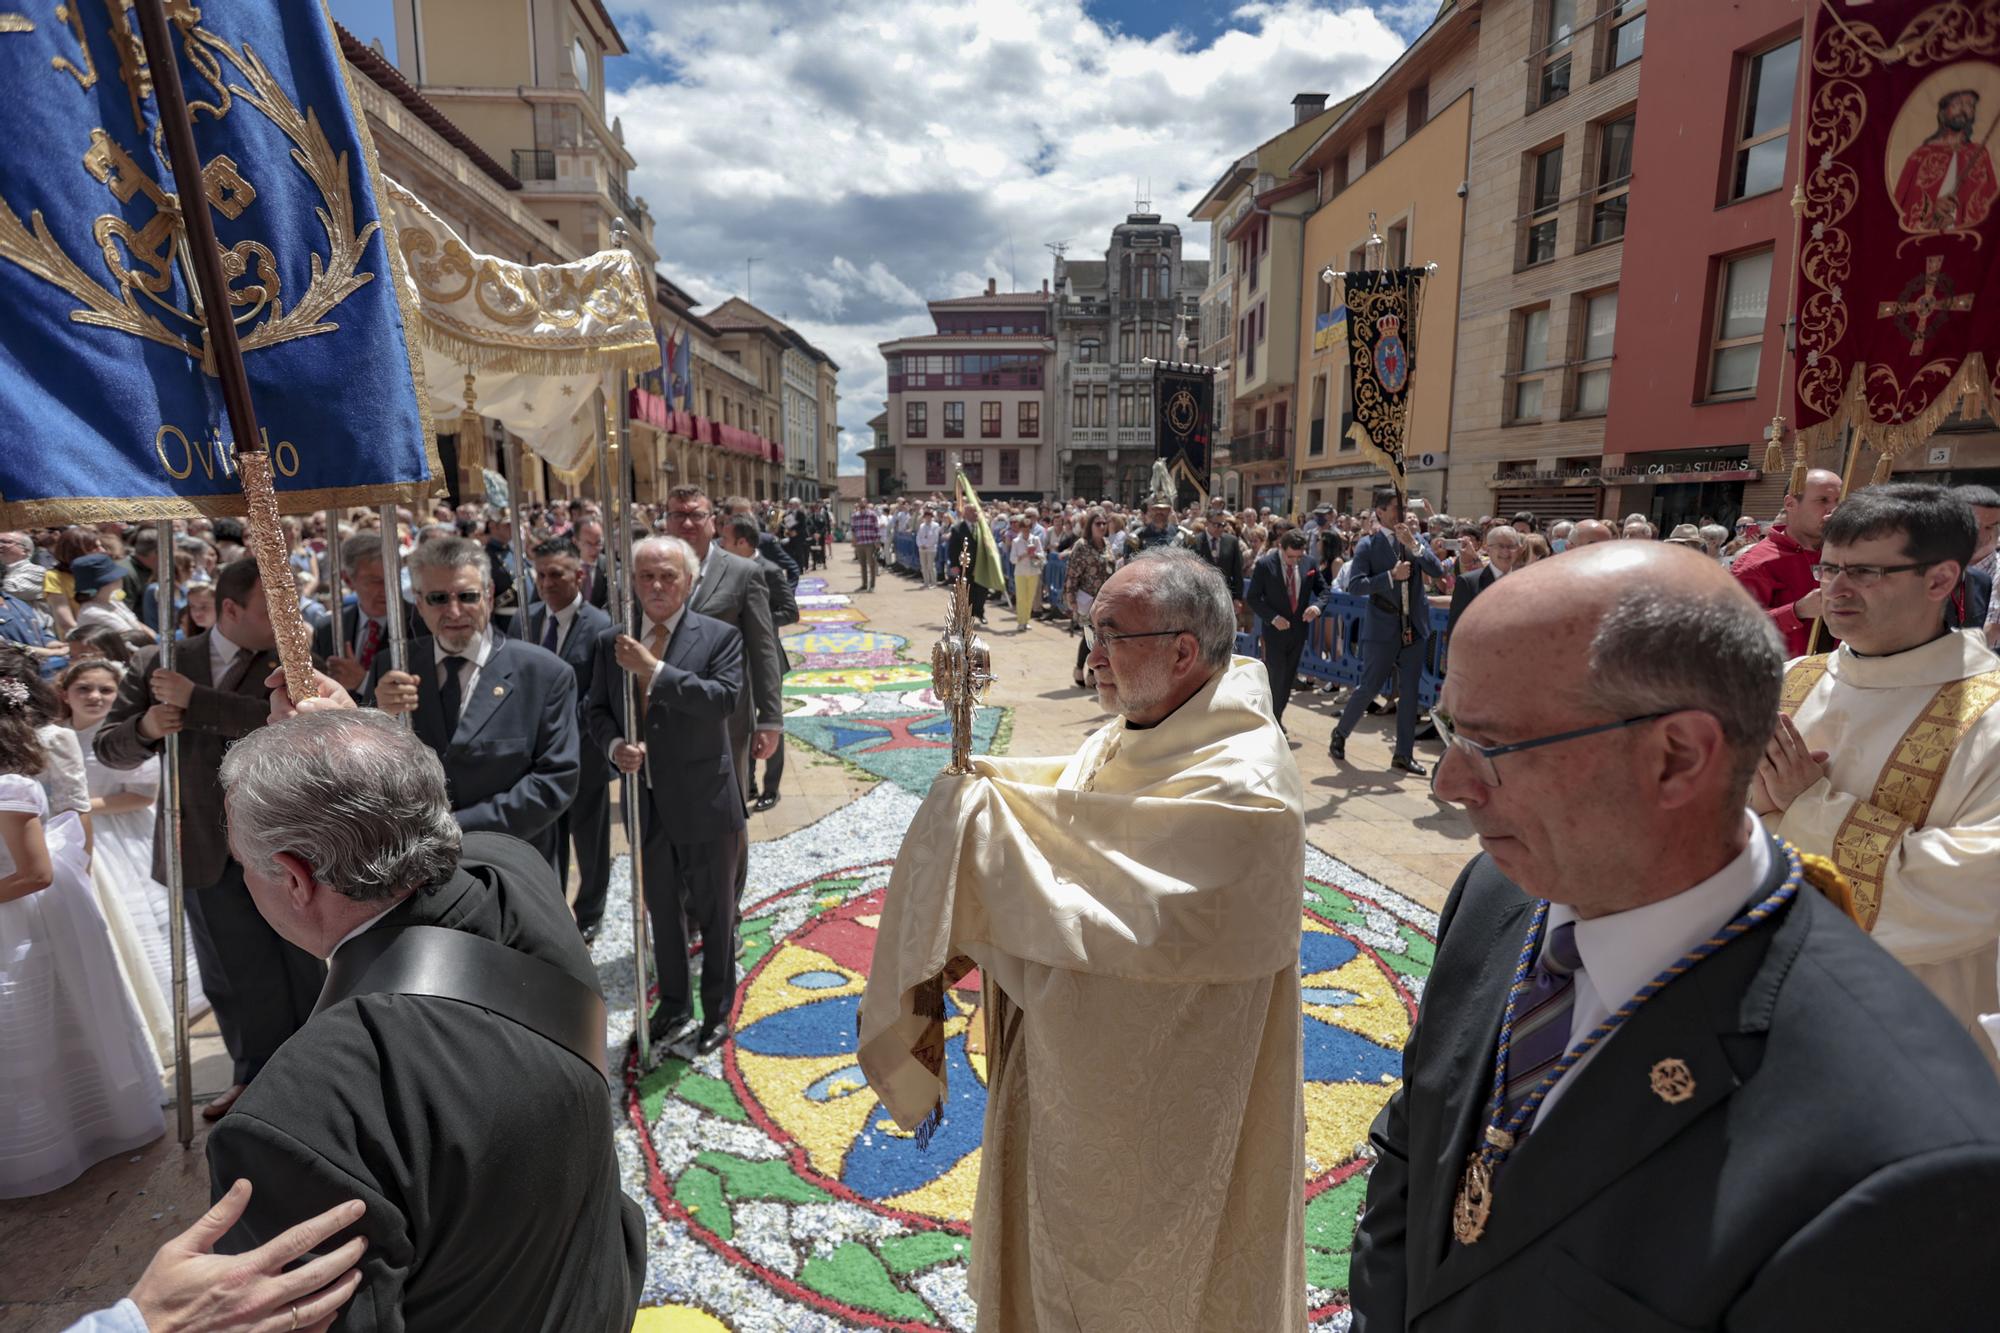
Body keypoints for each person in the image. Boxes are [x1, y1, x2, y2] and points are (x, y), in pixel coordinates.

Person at [1350, 540, 2000, 1331]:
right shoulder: (1500, 893)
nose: (1448, 782)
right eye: (1449, 728)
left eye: (1488, 745)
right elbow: (1416, 1156)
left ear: (1678, 757)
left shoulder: (1908, 1161)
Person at [859, 548, 1306, 1330]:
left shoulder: (1249, 790)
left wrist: (985, 844)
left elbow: (1133, 923)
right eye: (1088, 627)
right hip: (1069, 1093)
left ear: (1183, 650)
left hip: (1162, 1123)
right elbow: (1084, 804)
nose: (1090, 653)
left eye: (1110, 634)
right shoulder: (1149, 718)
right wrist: (985, 788)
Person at [205, 709, 645, 1328]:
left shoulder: (288, 1124)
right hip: (594, 1293)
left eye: (243, 863)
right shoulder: (519, 873)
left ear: (296, 879)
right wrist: (350, 751)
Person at [1757, 484, 2000, 1061]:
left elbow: (1972, 891)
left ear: (1940, 580)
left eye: (1864, 572)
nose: (1835, 590)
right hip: (1764, 992)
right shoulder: (1790, 681)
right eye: (1828, 568)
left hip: (1906, 1025)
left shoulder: (1987, 716)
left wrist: (1807, 806)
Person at [96, 557, 321, 1119]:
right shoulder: (159, 662)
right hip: (199, 840)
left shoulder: (291, 657)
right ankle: (256, 1081)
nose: (289, 618)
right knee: (234, 974)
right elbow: (108, 747)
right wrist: (147, 727)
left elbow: (291, 723)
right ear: (229, 609)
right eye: (274, 607)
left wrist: (198, 701)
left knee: (306, 964)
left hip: (284, 840)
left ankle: (323, 1074)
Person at [1, 670, 164, 1197]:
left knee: (31, 1028)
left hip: (17, 922)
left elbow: (37, 871)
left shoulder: (12, 785)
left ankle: (60, 1140)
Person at [585, 536, 744, 1055]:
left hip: (705, 801)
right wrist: (614, 747)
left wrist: (653, 671)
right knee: (661, 912)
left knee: (715, 912)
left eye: (667, 576)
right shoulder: (612, 641)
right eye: (646, 576)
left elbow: (721, 700)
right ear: (632, 581)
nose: (656, 586)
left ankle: (717, 1008)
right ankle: (673, 1003)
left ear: (689, 581)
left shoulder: (719, 636)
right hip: (644, 803)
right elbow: (596, 709)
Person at [368, 536, 580, 867]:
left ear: (489, 596)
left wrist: (455, 827)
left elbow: (554, 782)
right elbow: (364, 765)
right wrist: (378, 714)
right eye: (439, 598)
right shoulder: (393, 667)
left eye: (467, 596)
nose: (454, 611)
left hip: (510, 865)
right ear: (420, 603)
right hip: (416, 868)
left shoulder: (544, 674)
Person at [66, 658, 208, 1062]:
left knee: (145, 914)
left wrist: (79, 805)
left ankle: (169, 996)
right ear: (66, 694)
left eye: (106, 690)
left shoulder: (121, 736)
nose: (95, 697)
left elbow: (142, 794)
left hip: (126, 832)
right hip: (80, 834)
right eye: (84, 690)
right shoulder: (59, 736)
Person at [657, 486, 783, 884]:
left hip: (726, 716)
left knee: (727, 815)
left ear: (715, 521)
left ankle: (728, 909)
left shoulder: (743, 572)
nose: (688, 523)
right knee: (669, 811)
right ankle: (682, 904)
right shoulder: (650, 570)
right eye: (678, 515)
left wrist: (771, 719)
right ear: (666, 520)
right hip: (663, 716)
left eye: (697, 514)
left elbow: (763, 648)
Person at [524, 536, 614, 941]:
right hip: (536, 760)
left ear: (579, 575)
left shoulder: (601, 628)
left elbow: (600, 695)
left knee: (590, 842)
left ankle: (591, 911)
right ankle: (552, 913)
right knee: (546, 840)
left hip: (585, 756)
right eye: (540, 574)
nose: (546, 583)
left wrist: (559, 729)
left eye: (556, 574)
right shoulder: (523, 622)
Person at [1329, 486, 1445, 776]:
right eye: (1394, 508)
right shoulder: (1368, 545)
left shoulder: (1414, 539)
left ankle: (1403, 755)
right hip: (1383, 627)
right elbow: (1355, 586)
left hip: (1415, 628)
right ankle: (1341, 733)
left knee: (1410, 693)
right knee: (1369, 687)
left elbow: (1438, 570)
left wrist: (1416, 547)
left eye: (1403, 507)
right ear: (1380, 512)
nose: (1401, 513)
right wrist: (1390, 577)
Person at [720, 513, 797, 812]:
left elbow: (791, 611)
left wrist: (757, 623)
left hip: (765, 659)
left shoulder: (770, 570)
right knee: (744, 723)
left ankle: (771, 788)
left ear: (742, 542)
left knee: (769, 722)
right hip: (737, 659)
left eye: (725, 540)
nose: (720, 544)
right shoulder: (725, 569)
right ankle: (747, 780)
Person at [1732, 468, 1842, 656]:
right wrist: (1796, 611)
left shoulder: (1845, 554)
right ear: (1790, 504)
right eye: (1822, 500)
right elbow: (1733, 629)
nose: (1833, 510)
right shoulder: (1755, 564)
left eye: (1837, 502)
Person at [1246, 529, 1324, 727]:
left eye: (1299, 557)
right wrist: (1273, 617)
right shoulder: (1265, 565)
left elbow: (1324, 591)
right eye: (1290, 556)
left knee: (1288, 679)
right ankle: (1272, 721)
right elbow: (1253, 598)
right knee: (1276, 676)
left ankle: (1276, 716)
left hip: (1298, 632)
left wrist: (1316, 607)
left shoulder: (1309, 563)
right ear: (1280, 547)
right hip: (1274, 632)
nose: (1295, 561)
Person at [1895, 88, 1996, 234]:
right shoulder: (1921, 155)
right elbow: (1901, 210)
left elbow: (1991, 204)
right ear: (1942, 113)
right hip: (1928, 241)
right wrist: (1931, 214)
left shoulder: (1979, 153)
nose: (1963, 109)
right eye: (1957, 104)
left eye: (1969, 105)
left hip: (1971, 243)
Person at [1062, 509, 1112, 688]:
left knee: (1101, 637)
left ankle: (1093, 673)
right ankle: (1079, 668)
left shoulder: (1107, 544)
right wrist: (1071, 598)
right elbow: (1072, 573)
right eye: (1098, 523)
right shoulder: (1081, 545)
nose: (1102, 527)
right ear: (1090, 526)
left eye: (1104, 523)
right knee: (1090, 635)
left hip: (1105, 599)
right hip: (1086, 598)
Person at [1447, 525, 1520, 634]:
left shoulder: (1526, 581)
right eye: (1500, 546)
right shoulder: (1469, 583)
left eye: (1511, 546)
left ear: (1518, 549)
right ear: (1487, 549)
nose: (1506, 551)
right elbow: (1456, 629)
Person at [70, 553, 155, 645]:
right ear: (104, 584)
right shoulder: (93, 613)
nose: (121, 578)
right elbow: (132, 638)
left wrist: (157, 639)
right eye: (116, 577)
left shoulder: (113, 601)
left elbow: (138, 625)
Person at [947, 501, 992, 623]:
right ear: (966, 513)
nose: (975, 514)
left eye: (976, 511)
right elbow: (952, 548)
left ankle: (980, 612)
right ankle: (968, 615)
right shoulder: (957, 528)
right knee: (968, 590)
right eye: (972, 511)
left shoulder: (982, 527)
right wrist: (954, 564)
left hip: (981, 564)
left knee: (982, 590)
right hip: (965, 566)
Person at [1007, 514, 1046, 630]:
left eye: (1028, 528)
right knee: (1021, 598)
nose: (1026, 530)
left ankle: (1026, 620)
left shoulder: (1035, 539)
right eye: (1024, 528)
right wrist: (1023, 555)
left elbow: (1042, 555)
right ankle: (1021, 621)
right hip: (1020, 572)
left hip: (1033, 572)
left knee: (1030, 598)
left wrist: (1035, 554)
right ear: (1021, 528)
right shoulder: (1016, 541)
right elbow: (1012, 559)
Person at [850, 498, 882, 591]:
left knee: (871, 564)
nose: (862, 504)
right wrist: (853, 539)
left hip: (870, 543)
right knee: (862, 565)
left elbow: (876, 528)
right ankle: (864, 584)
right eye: (860, 502)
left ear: (866, 503)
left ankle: (872, 585)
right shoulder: (855, 516)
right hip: (860, 543)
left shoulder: (872, 515)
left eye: (864, 502)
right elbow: (853, 529)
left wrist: (877, 541)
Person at [916, 507, 943, 588]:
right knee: (923, 566)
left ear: (932, 517)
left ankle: (934, 582)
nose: (928, 518)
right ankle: (926, 582)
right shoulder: (922, 526)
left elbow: (934, 538)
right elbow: (918, 537)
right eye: (926, 516)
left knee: (931, 565)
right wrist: (921, 545)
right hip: (922, 549)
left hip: (931, 549)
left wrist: (927, 545)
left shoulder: (935, 525)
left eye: (929, 516)